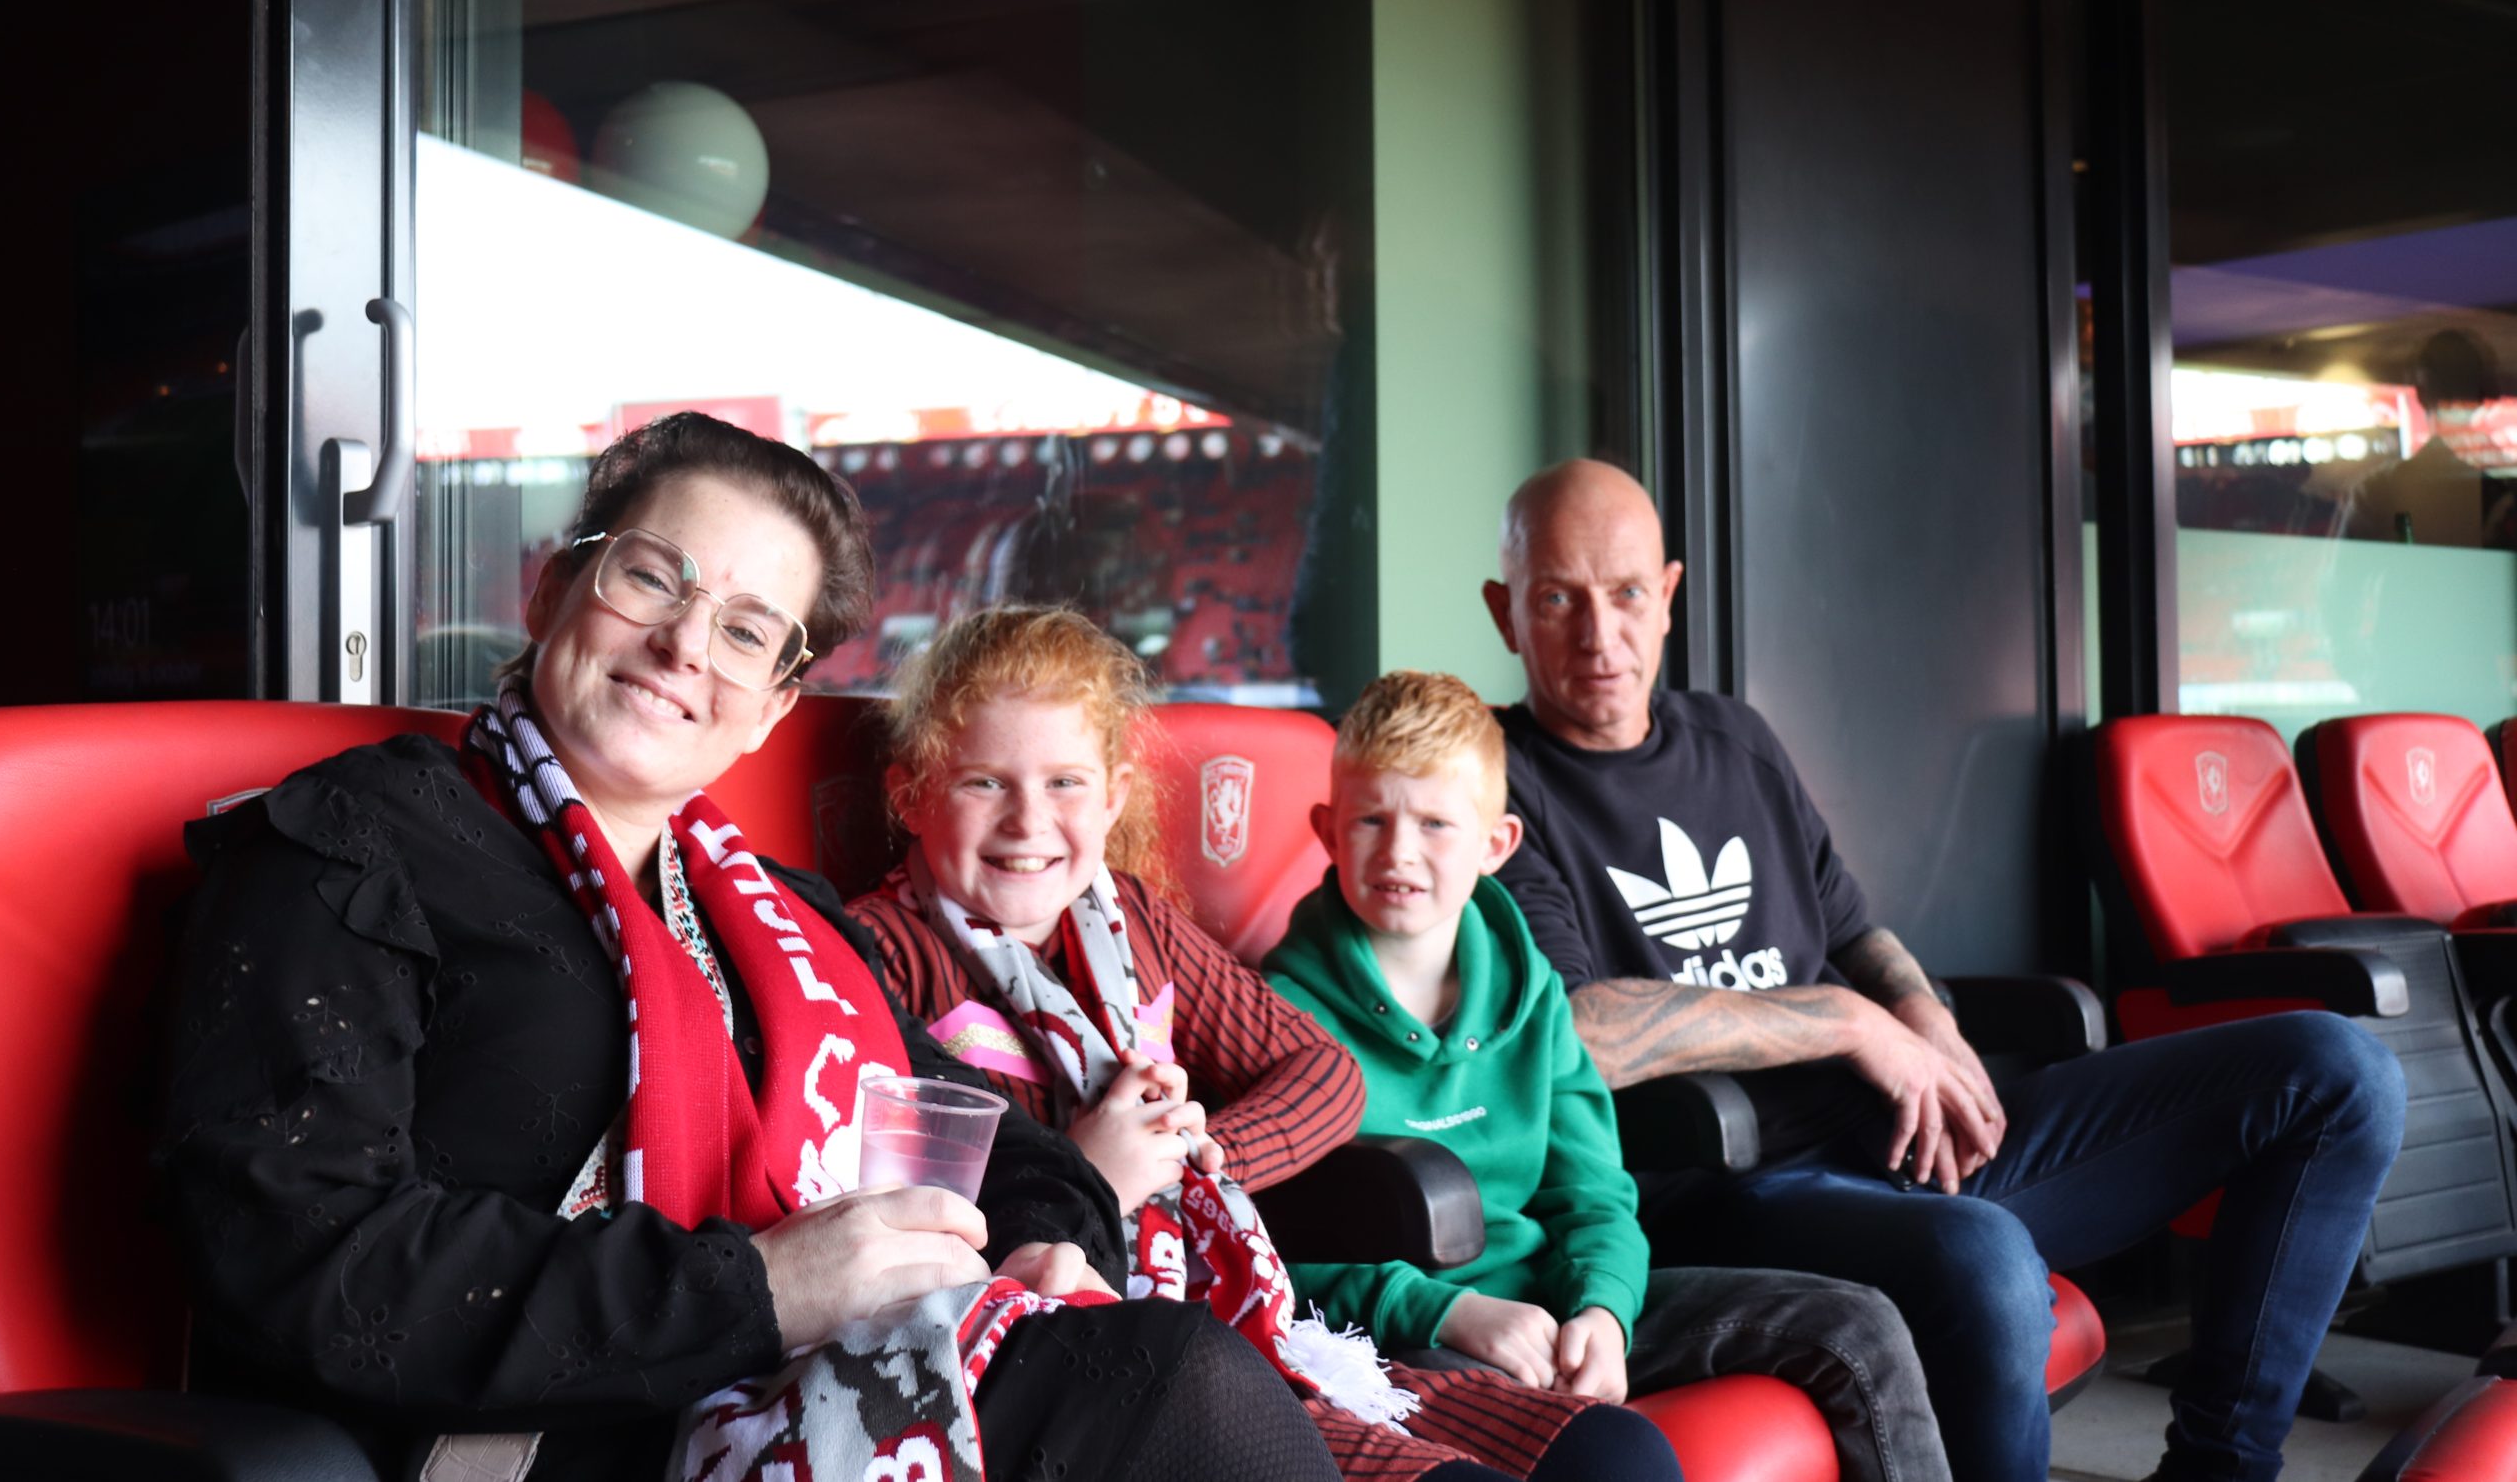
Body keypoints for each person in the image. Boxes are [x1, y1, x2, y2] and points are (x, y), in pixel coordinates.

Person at [157, 414, 1341, 1482]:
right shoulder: (351, 844)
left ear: (773, 706)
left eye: (744, 631)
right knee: (1169, 1389)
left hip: (824, 1398)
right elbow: (300, 1252)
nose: (685, 644)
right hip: (543, 1446)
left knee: (1167, 1377)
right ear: (555, 590)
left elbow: (1009, 1148)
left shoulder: (784, 918)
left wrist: (1048, 1249)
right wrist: (764, 1287)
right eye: (649, 577)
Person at [1480, 458, 2410, 1482]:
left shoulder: (1733, 739)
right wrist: (1850, 1023)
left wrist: (1921, 1015)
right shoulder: (1488, 788)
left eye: (1624, 593)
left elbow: (1853, 929)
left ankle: (2219, 1470)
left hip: (1893, 1146)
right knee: (1983, 1254)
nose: (1598, 634)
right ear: (1503, 613)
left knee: (2337, 1072)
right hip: (1725, 1192)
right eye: (1556, 598)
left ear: (1667, 595)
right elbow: (1578, 1030)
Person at [841, 605, 1685, 1482]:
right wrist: (1091, 1177)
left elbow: (1326, 1072)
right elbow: (900, 1233)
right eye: (984, 782)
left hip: (1244, 1316)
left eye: (1065, 782)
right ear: (911, 794)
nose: (1028, 820)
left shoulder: (1132, 918)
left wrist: (1200, 1151)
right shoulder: (874, 952)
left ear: (1115, 795)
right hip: (1082, 1365)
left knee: (1622, 1454)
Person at [1264, 670, 1950, 1482]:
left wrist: (1602, 1307)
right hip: (1405, 1336)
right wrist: (1451, 1309)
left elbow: (1592, 1190)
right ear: (1327, 830)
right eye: (1371, 819)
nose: (1399, 852)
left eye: (1436, 823)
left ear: (1496, 845)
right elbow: (1264, 1257)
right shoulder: (1276, 1014)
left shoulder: (1532, 992)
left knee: (1863, 1326)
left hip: (1554, 1301)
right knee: (1598, 1447)